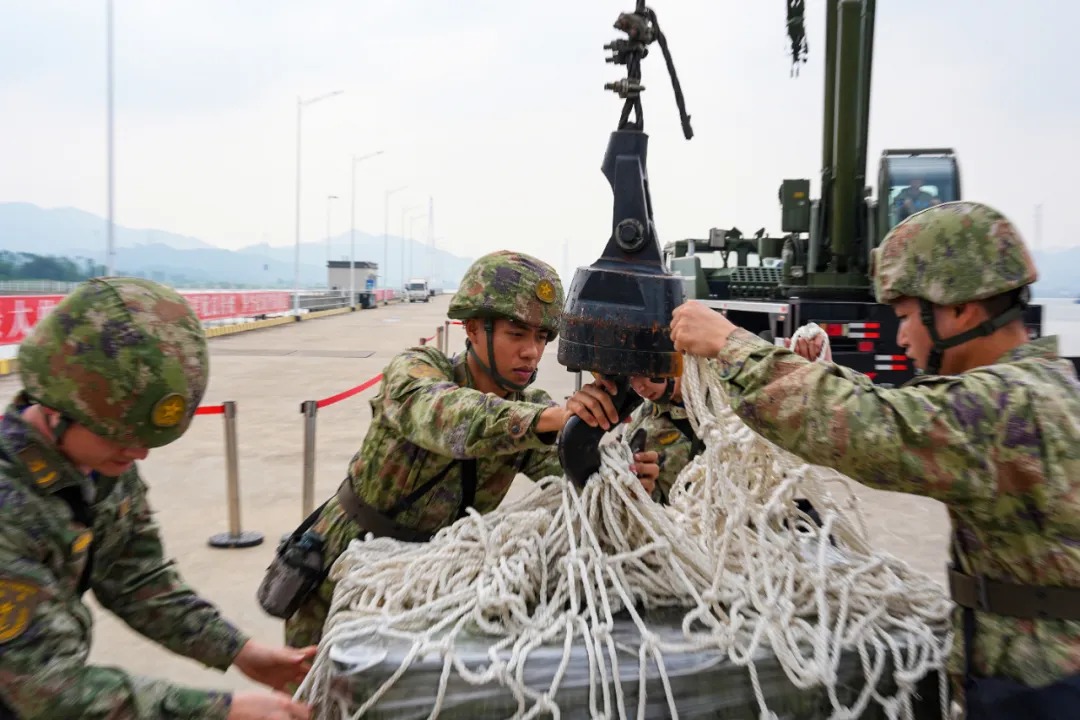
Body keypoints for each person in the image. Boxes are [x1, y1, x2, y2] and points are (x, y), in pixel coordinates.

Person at [668, 201, 1080, 717]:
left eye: (907, 315)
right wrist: (809, 371)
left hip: (1045, 687)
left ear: (961, 310)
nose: (902, 334)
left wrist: (731, 344)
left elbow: (873, 429)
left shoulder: (1009, 406)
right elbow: (913, 414)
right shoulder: (1039, 386)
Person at [282, 251, 659, 648]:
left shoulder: (532, 405)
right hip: (346, 569)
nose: (532, 351)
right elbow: (445, 418)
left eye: (542, 337)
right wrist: (550, 418)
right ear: (475, 328)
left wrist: (624, 480)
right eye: (517, 334)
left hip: (432, 579)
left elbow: (571, 477)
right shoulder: (417, 369)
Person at [0, 277, 316, 720]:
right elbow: (46, 689)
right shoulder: (9, 509)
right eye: (122, 439)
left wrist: (241, 652)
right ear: (55, 411)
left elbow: (138, 579)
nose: (139, 454)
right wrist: (220, 711)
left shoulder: (103, 462)